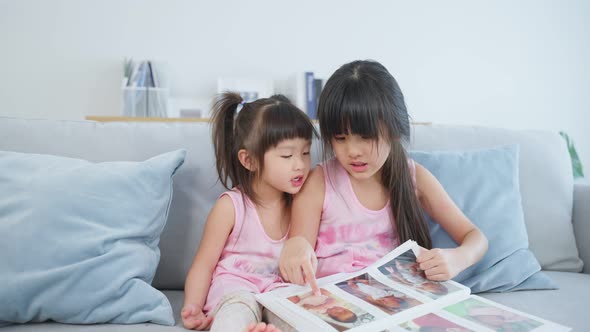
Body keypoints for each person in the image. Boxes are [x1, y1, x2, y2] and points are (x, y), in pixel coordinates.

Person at [278, 60, 488, 294]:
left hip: (392, 300)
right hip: (333, 304)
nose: (353, 151)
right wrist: (295, 249)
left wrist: (458, 258)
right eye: (340, 138)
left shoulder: (413, 177)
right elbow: (299, 249)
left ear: (394, 131)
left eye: (365, 137)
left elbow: (476, 238)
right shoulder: (319, 182)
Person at [182, 92, 316, 332]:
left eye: (305, 153)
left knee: (302, 322)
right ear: (249, 160)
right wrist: (193, 305)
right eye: (287, 155)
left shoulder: (303, 203)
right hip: (235, 292)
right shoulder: (230, 207)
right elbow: (203, 265)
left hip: (281, 296)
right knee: (234, 316)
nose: (300, 164)